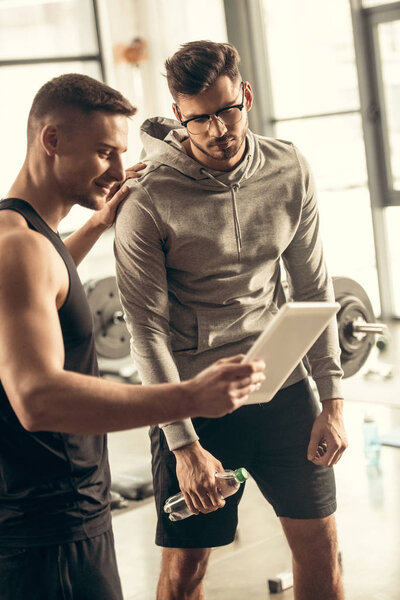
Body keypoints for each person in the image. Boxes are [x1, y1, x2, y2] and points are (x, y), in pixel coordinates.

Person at [0, 72, 265, 600]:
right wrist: (190, 397)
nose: (120, 170)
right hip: (48, 534)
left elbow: (50, 286)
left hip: (60, 520)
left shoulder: (27, 237)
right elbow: (38, 398)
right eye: (104, 153)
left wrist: (97, 225)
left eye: (121, 152)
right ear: (50, 141)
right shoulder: (19, 249)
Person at [114, 41, 348, 600]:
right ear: (178, 116)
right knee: (187, 569)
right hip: (193, 401)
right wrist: (184, 445)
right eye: (201, 119)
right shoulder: (146, 200)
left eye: (227, 110)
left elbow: (314, 288)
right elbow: (145, 331)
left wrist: (333, 400)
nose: (219, 130)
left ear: (245, 95)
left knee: (322, 550)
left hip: (284, 391)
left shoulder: (289, 168)